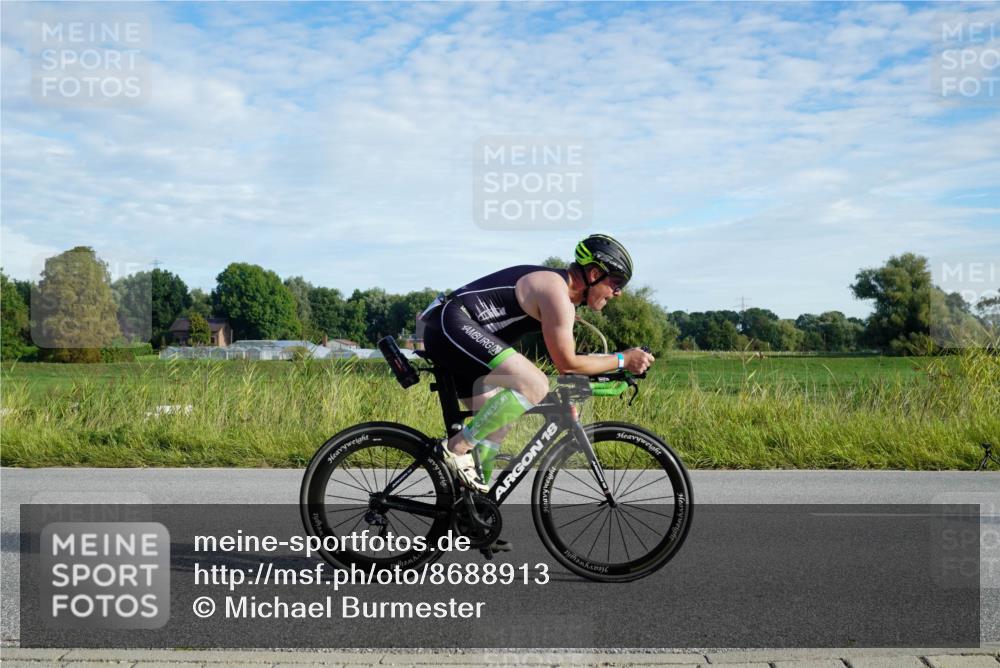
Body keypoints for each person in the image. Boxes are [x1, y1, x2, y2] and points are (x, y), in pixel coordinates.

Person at [418, 234, 655, 493]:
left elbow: (571, 360)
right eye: (616, 283)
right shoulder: (555, 291)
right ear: (595, 274)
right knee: (535, 384)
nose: (618, 293)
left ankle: (471, 502)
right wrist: (623, 359)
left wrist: (615, 367)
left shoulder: (564, 299)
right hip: (452, 326)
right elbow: (567, 365)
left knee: (496, 422)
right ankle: (456, 448)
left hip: (457, 336)